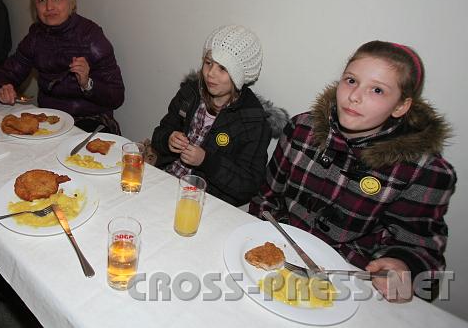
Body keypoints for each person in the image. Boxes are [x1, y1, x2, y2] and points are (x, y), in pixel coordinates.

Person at [249, 41, 456, 302]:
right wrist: (262, 237)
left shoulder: (423, 172)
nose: (355, 96)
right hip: (280, 259)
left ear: (400, 106)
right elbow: (266, 197)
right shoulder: (301, 130)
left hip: (351, 287)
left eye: (377, 90)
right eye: (351, 81)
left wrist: (404, 267)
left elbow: (422, 250)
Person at [152, 25, 274, 205]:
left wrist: (206, 161)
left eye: (223, 68)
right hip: (167, 182)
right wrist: (168, 140)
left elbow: (248, 186)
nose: (210, 74)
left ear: (239, 76)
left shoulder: (253, 121)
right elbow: (159, 135)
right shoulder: (191, 94)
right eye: (208, 63)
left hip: (207, 203)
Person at [0, 0, 125, 134]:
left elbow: (117, 96)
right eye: (42, 0)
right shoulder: (35, 36)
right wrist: (3, 87)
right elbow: (7, 72)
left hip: (89, 123)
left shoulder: (90, 35)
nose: (49, 7)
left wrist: (87, 83)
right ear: (35, 7)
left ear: (71, 2)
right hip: (49, 122)